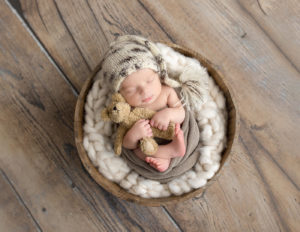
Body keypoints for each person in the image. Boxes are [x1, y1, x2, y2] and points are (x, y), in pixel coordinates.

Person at [101, 35, 186, 172]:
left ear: (158, 75)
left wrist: (168, 114)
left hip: (174, 135)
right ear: (120, 94)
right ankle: (167, 155)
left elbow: (182, 113)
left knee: (180, 132)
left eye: (150, 81)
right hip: (149, 144)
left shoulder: (167, 92)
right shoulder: (128, 109)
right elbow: (127, 144)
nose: (145, 91)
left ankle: (171, 151)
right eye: (131, 90)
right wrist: (134, 135)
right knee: (138, 152)